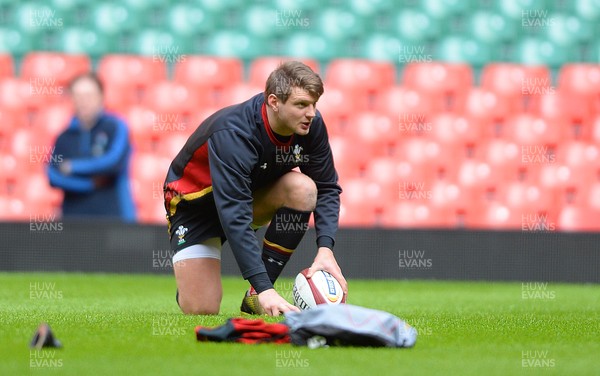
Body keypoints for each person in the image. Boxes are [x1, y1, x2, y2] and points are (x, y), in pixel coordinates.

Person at [164, 61, 347, 316]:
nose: (312, 113)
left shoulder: (310, 126)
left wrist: (325, 249)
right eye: (301, 104)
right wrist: (266, 290)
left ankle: (254, 298)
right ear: (274, 101)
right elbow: (234, 215)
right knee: (201, 309)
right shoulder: (234, 133)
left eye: (314, 104)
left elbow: (326, 187)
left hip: (246, 198)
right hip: (195, 209)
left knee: (303, 188)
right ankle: (196, 281)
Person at [47, 72, 136, 222]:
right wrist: (91, 183)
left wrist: (73, 167)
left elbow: (112, 162)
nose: (83, 102)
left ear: (101, 96)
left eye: (88, 95)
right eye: (78, 96)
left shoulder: (115, 127)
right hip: (73, 221)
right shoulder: (64, 136)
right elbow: (52, 175)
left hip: (114, 220)